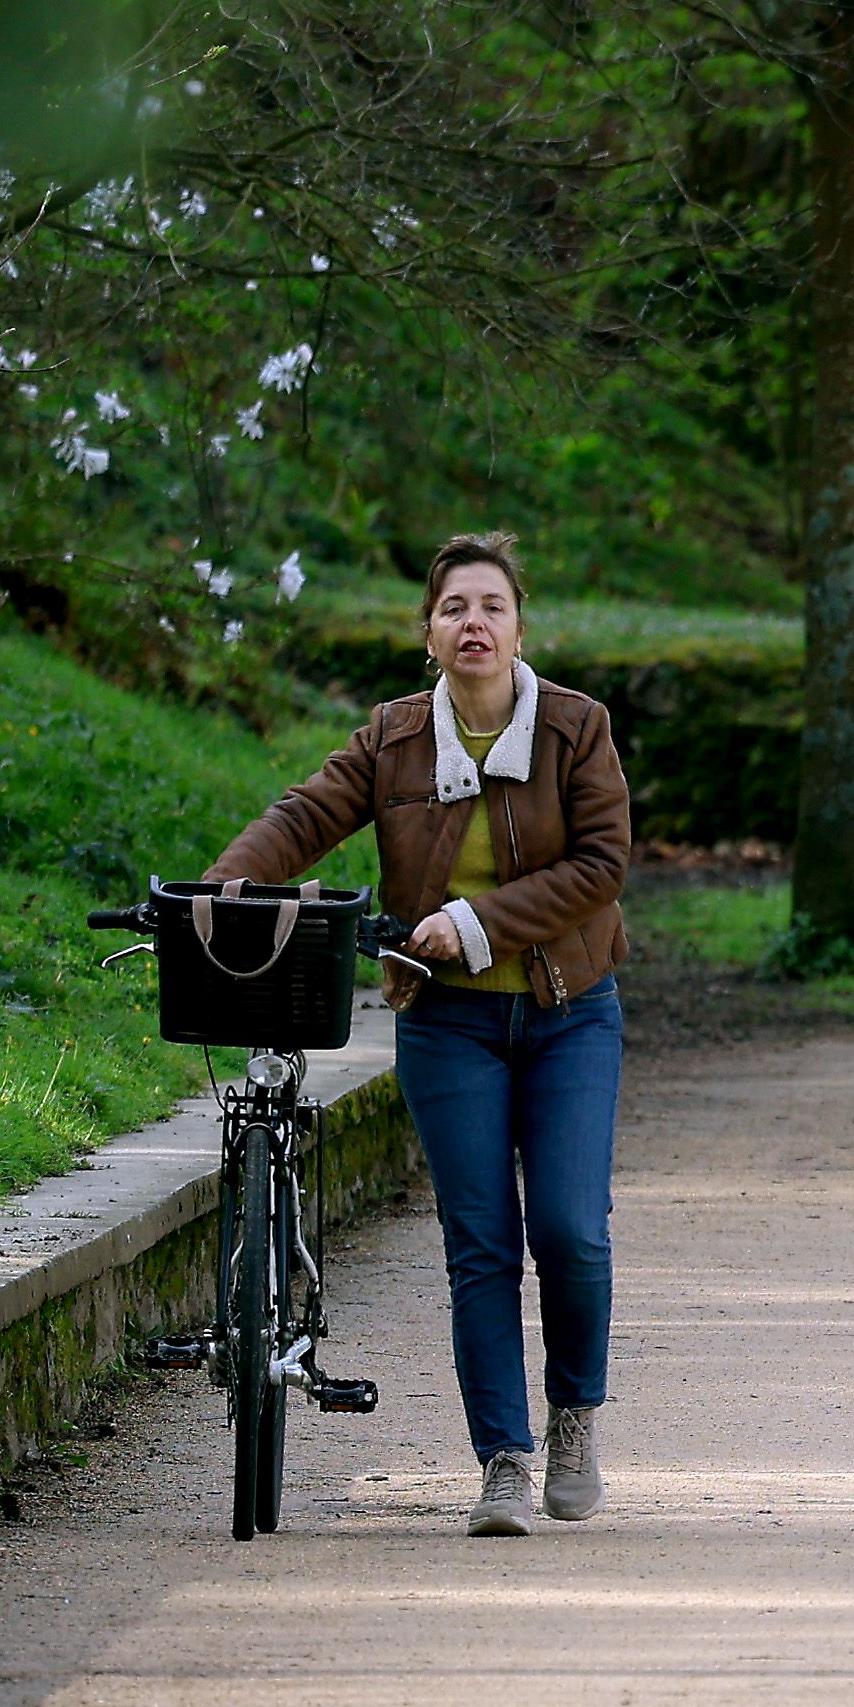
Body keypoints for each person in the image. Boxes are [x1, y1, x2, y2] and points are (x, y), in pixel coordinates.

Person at [211, 532, 633, 1539]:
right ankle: (503, 1460)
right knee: (479, 1245)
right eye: (454, 609)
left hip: (570, 1012)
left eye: (492, 605)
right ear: (429, 634)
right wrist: (228, 887)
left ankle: (572, 1411)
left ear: (520, 627)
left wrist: (477, 923)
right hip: (447, 1021)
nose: (474, 622)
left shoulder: (577, 727)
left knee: (570, 1231)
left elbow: (602, 864)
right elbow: (306, 813)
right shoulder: (395, 738)